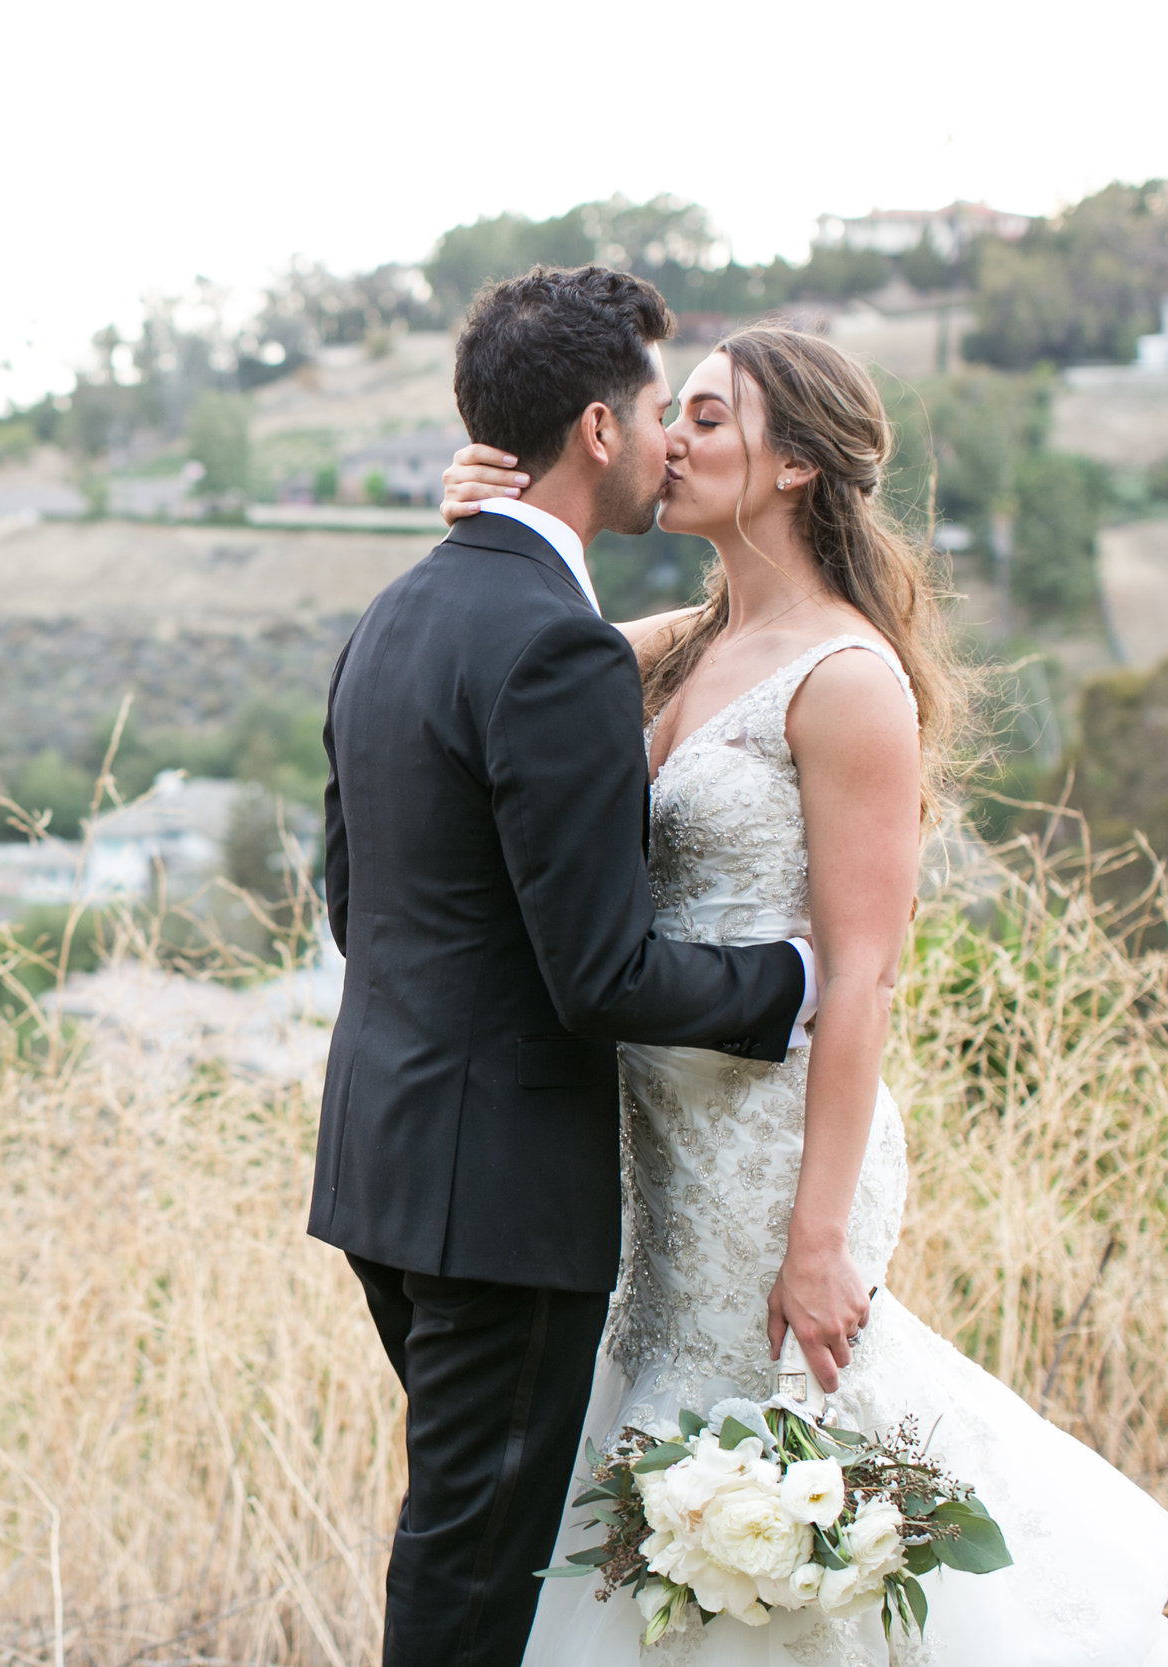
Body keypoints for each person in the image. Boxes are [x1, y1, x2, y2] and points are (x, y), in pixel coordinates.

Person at [440, 324, 1168, 1662]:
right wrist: (490, 522)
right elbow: (519, 640)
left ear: (795, 464)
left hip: (775, 1144)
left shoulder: (847, 679)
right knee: (666, 1472)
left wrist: (817, 1238)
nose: (666, 442)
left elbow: (863, 976)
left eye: (704, 418)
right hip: (650, 1143)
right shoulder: (682, 644)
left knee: (775, 1471)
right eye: (666, 416)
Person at [310, 265, 820, 1667]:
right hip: (501, 1203)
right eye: (662, 407)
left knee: (468, 1540)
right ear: (599, 428)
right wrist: (790, 982)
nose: (673, 436)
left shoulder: (399, 613)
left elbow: (356, 901)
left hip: (384, 1167)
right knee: (472, 1584)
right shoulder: (552, 648)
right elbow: (599, 976)